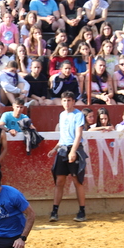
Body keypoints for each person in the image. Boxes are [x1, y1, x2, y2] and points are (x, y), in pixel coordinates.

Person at [47, 90, 87, 223]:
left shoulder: (78, 115)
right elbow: (63, 136)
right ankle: (54, 211)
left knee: (77, 181)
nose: (66, 103)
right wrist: (55, 148)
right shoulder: (62, 115)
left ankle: (82, 211)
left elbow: (78, 135)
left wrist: (73, 151)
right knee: (59, 181)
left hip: (73, 149)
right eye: (64, 100)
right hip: (63, 149)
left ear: (73, 102)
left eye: (69, 100)